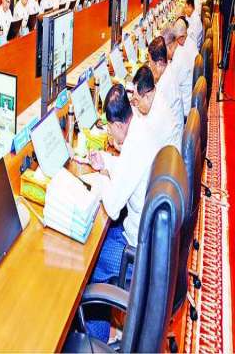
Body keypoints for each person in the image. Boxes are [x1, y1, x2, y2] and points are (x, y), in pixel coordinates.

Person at [85, 84, 171, 340]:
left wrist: (100, 179)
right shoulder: (139, 128)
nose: (109, 133)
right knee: (104, 236)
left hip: (137, 251)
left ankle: (97, 339)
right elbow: (128, 169)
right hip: (146, 237)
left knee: (90, 263)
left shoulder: (134, 146)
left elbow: (112, 208)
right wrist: (106, 161)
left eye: (109, 128)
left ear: (118, 125)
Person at [131, 66, 182, 150]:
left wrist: (118, 145)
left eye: (137, 100)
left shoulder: (156, 118)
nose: (136, 105)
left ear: (147, 96)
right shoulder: (157, 93)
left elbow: (139, 151)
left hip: (166, 157)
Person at [146, 36, 183, 131]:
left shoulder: (164, 86)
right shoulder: (169, 69)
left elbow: (151, 119)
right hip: (173, 126)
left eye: (150, 63)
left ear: (159, 63)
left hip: (171, 135)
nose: (150, 66)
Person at [172, 17, 198, 118]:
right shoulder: (190, 43)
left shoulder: (183, 52)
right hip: (190, 95)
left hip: (185, 109)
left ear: (181, 37)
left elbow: (172, 85)